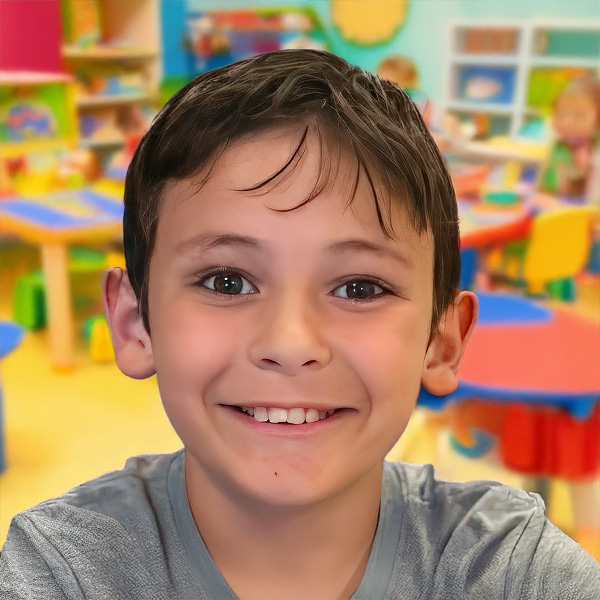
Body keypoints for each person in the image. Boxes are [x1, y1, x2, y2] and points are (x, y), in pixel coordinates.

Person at [1, 49, 599, 600]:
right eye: (226, 281)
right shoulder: (67, 571)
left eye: (359, 288)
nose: (291, 344)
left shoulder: (507, 568)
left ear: (442, 342)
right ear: (135, 323)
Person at [538, 75, 600, 204]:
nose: (568, 122)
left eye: (579, 115)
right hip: (557, 205)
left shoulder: (595, 150)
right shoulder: (555, 143)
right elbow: (544, 185)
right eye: (562, 114)